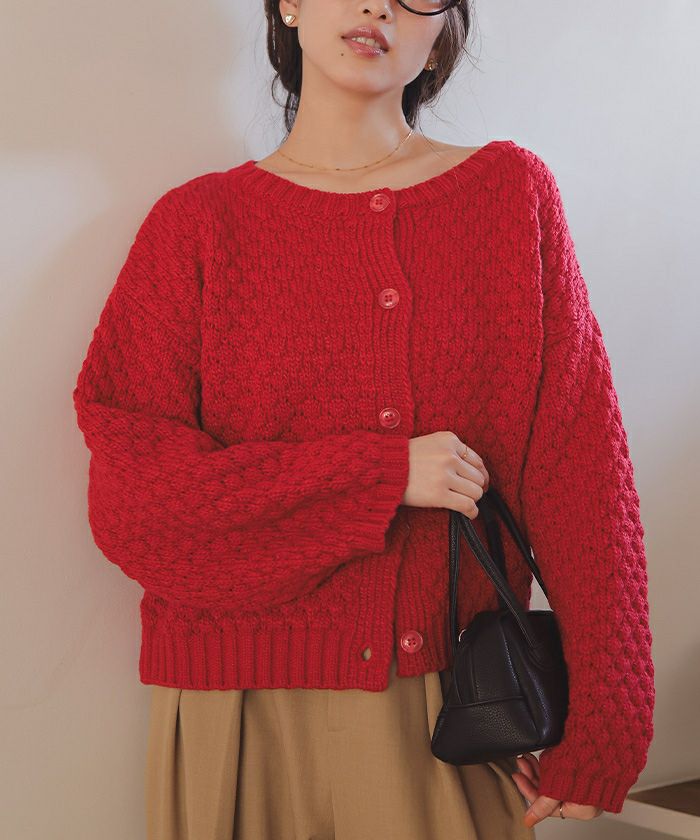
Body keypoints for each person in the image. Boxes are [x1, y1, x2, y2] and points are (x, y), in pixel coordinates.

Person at [71, 0, 655, 838]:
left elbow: (582, 471)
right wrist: (378, 476)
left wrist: (609, 720)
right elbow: (134, 503)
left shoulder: (508, 196)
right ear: (290, 5)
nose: (379, 4)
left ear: (443, 34)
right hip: (234, 711)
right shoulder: (196, 225)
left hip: (446, 707)